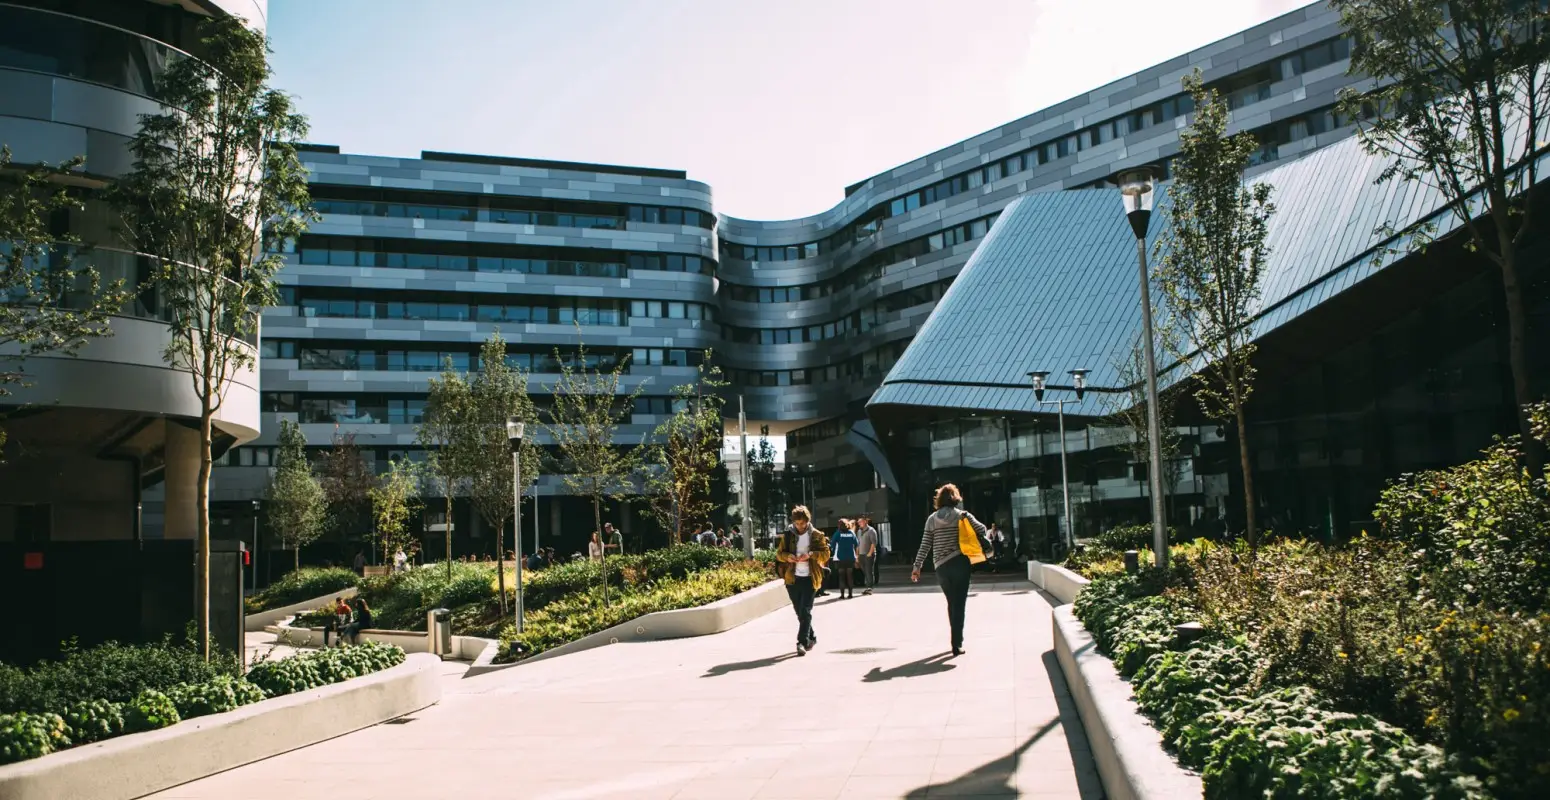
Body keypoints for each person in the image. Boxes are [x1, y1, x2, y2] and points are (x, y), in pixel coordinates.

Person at [912, 483, 988, 657]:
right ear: (955, 498)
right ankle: (956, 643)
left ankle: (955, 640)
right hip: (960, 562)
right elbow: (982, 529)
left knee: (951, 602)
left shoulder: (932, 519)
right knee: (959, 604)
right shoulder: (962, 515)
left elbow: (925, 544)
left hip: (941, 566)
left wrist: (917, 566)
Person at [775, 505, 829, 656]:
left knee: (805, 610)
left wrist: (811, 554)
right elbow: (779, 554)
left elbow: (826, 554)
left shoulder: (817, 535)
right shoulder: (788, 535)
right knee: (800, 612)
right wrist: (788, 557)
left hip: (810, 578)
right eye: (797, 523)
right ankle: (812, 637)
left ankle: (802, 642)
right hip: (792, 579)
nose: (800, 526)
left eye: (802, 523)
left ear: (807, 521)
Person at [829, 518, 860, 599]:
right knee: (850, 576)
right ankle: (850, 594)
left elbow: (832, 544)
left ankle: (842, 595)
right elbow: (857, 544)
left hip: (840, 558)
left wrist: (833, 550)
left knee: (841, 577)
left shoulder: (838, 533)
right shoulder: (851, 533)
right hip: (850, 557)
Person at [856, 515, 879, 595]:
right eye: (858, 522)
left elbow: (874, 543)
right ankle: (868, 586)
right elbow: (858, 544)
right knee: (865, 571)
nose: (859, 523)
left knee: (869, 571)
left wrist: (870, 553)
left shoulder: (871, 530)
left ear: (865, 521)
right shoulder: (859, 531)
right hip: (861, 554)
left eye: (861, 521)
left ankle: (869, 588)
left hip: (869, 554)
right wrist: (857, 555)